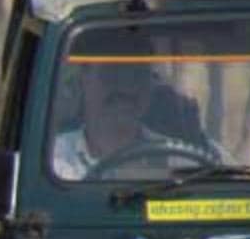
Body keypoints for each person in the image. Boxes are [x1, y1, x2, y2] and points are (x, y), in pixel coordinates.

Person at [51, 57, 211, 179]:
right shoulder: (52, 161)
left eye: (137, 73)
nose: (125, 87)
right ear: (84, 79)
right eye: (112, 72)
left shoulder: (183, 163)